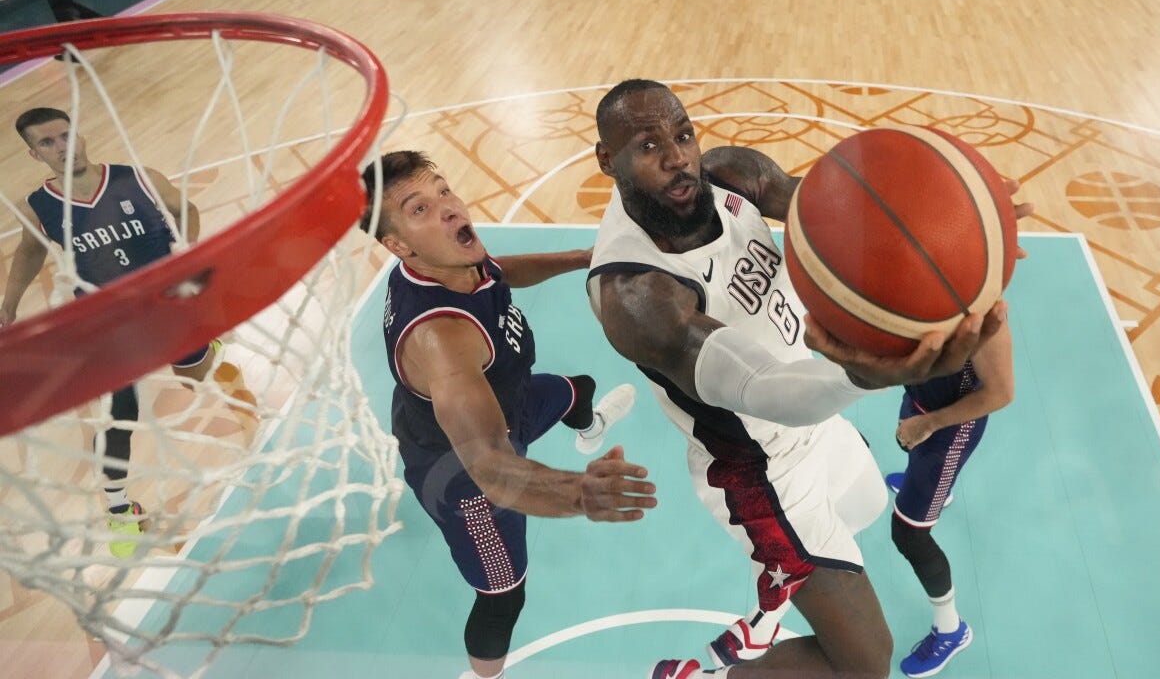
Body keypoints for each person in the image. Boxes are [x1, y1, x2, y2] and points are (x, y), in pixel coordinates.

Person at [586, 79, 1027, 679]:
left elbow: (842, 212)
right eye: (647, 145)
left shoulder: (729, 175)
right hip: (759, 468)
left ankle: (779, 576)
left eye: (683, 133)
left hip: (817, 423)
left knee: (867, 505)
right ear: (607, 160)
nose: (677, 156)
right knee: (867, 665)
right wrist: (863, 377)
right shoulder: (637, 293)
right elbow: (760, 389)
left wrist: (954, 218)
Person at [359, 150, 654, 679]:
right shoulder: (442, 340)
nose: (447, 208)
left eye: (443, 190)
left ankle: (589, 431)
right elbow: (491, 467)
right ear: (397, 245)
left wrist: (579, 257)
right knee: (502, 597)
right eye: (419, 209)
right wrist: (579, 493)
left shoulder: (451, 262)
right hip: (464, 477)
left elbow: (499, 274)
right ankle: (481, 675)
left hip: (507, 401)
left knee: (577, 390)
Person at [1, 107, 222, 558]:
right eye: (47, 143)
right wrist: (9, 304)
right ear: (33, 152)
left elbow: (187, 209)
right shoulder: (38, 206)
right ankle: (120, 507)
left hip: (166, 307)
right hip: (108, 323)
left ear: (79, 135)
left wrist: (187, 254)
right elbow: (28, 253)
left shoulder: (139, 178)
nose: (62, 148)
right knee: (118, 411)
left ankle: (206, 349)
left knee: (196, 376)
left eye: (66, 136)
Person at [883, 322, 1013, 677]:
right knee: (910, 444)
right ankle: (933, 489)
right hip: (921, 401)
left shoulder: (984, 314)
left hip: (949, 429)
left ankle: (950, 629)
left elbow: (1001, 392)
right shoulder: (918, 287)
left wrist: (930, 425)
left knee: (908, 534)